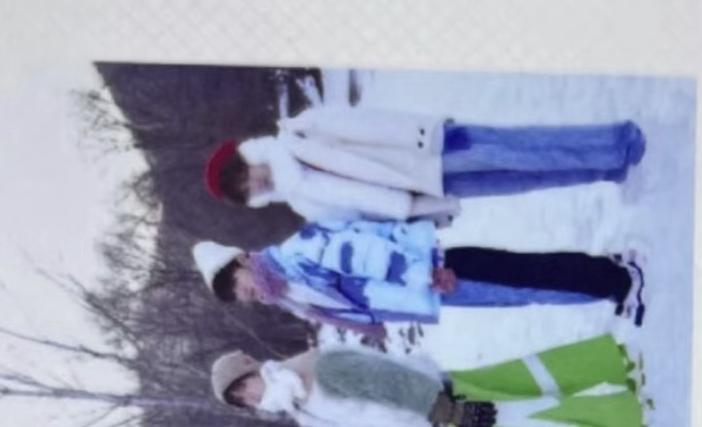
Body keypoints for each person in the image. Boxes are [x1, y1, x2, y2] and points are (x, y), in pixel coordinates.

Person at [191, 221, 646, 337]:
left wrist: (422, 272)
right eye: (243, 297)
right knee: (519, 287)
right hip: (423, 291)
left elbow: (364, 252)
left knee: (524, 281)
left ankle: (617, 280)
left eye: (242, 284)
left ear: (243, 260)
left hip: (428, 273)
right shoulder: (289, 291)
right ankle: (605, 275)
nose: (250, 294)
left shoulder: (295, 256)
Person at [210, 333, 647, 427]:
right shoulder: (298, 405)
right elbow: (368, 424)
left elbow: (389, 381)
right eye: (242, 401)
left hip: (441, 404)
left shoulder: (312, 371)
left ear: (253, 367)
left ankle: (627, 414)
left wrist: (448, 411)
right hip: (436, 415)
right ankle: (609, 361)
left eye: (243, 387)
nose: (250, 397)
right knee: (524, 380)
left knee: (531, 421)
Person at [203, 107, 645, 221]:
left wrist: (424, 133)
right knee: (521, 178)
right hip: (428, 191)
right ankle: (605, 169)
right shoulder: (302, 202)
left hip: (428, 151)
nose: (255, 186)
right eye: (247, 193)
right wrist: (424, 215)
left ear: (247, 160)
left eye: (245, 178)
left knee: (522, 148)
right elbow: (364, 215)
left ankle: (615, 142)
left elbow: (366, 124)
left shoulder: (298, 134)